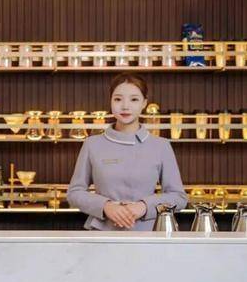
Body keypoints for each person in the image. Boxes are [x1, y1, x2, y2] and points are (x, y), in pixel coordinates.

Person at [66, 73, 188, 230]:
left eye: (134, 99)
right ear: (110, 101)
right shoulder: (92, 144)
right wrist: (105, 206)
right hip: (102, 233)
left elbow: (179, 197)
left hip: (147, 235)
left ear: (144, 103)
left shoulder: (161, 146)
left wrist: (144, 206)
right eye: (118, 99)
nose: (125, 106)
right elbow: (74, 193)